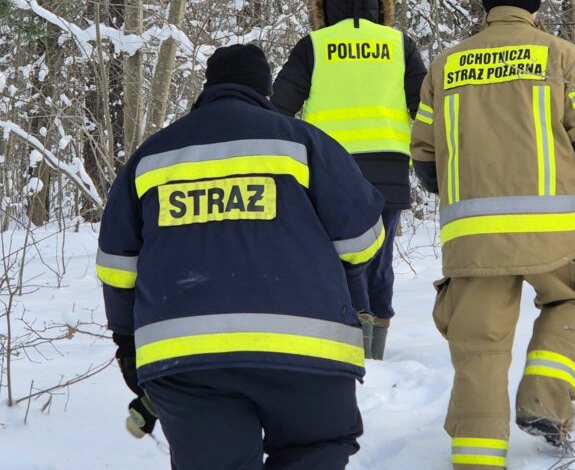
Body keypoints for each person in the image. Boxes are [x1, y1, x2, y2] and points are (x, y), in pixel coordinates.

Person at [97, 44, 386, 470]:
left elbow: (117, 266)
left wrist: (128, 345)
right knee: (316, 448)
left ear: (208, 87)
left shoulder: (152, 157)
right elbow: (362, 241)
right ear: (264, 89)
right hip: (305, 350)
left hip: (185, 359)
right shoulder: (303, 143)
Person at [410, 0, 575, 466]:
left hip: (471, 240)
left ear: (487, 2)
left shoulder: (445, 66)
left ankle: (476, 457)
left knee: (479, 349)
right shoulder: (564, 57)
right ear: (534, 2)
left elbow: (424, 166)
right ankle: (545, 402)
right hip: (552, 237)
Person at [272, 0, 426, 360]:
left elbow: (278, 110)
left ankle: (348, 346)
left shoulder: (315, 46)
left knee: (340, 258)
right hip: (389, 171)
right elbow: (426, 109)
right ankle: (374, 350)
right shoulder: (399, 45)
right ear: (381, 5)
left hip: (330, 173)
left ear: (324, 6)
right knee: (380, 260)